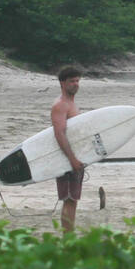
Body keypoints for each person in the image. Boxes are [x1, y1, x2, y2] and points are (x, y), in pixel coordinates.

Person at [51, 66, 84, 232]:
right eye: (72, 81)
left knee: (73, 200)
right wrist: (72, 159)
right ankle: (67, 238)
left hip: (74, 158)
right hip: (66, 159)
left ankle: (69, 236)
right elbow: (59, 134)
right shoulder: (61, 105)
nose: (76, 84)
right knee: (69, 199)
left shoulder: (71, 103)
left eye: (77, 81)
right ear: (62, 83)